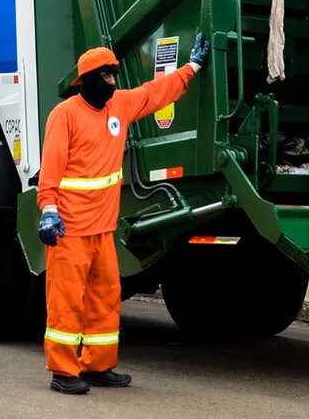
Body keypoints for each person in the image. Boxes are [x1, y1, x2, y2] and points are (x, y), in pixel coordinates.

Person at [36, 34, 210, 395]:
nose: (113, 83)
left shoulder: (120, 105)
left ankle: (98, 366)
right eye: (106, 76)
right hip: (69, 229)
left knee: (105, 295)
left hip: (102, 229)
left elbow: (155, 92)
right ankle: (63, 371)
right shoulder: (64, 115)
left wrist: (191, 67)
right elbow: (50, 169)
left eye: (114, 75)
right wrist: (48, 210)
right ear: (85, 80)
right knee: (66, 301)